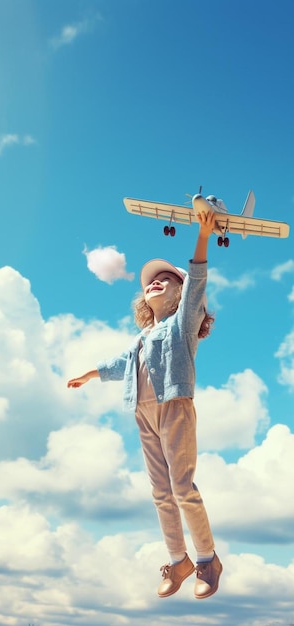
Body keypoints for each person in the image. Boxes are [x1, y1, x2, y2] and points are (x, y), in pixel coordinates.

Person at [67, 209, 222, 600]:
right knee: (160, 492)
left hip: (174, 407)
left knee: (183, 487)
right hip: (144, 413)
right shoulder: (142, 337)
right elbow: (121, 364)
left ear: (181, 293)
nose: (155, 282)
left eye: (166, 279)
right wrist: (91, 374)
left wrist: (203, 237)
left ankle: (207, 560)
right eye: (151, 281)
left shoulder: (182, 325)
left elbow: (197, 282)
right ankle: (178, 560)